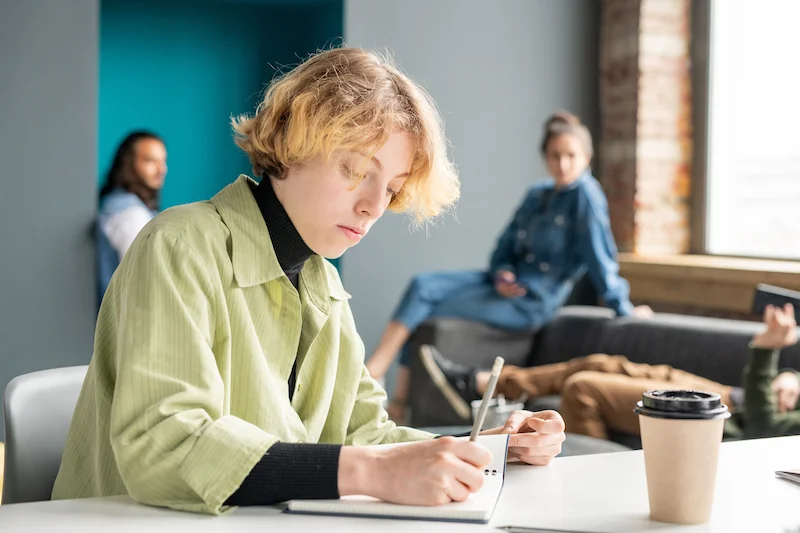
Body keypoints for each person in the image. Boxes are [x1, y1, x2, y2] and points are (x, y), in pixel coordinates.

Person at [52, 48, 566, 515]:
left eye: (391, 189)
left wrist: (485, 448)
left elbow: (364, 432)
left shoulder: (323, 282)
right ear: (295, 141)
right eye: (356, 169)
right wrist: (371, 471)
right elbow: (166, 442)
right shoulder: (179, 246)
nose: (372, 206)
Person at [365, 111, 652, 422]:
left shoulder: (586, 196)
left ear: (586, 157)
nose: (563, 164)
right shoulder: (536, 195)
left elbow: (601, 259)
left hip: (531, 301)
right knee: (423, 285)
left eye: (571, 155)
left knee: (426, 311)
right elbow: (504, 247)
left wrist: (623, 308)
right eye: (555, 155)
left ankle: (388, 398)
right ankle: (376, 377)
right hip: (501, 284)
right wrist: (503, 273)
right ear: (545, 157)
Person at [420, 303, 799, 440]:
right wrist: (791, 379)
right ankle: (485, 384)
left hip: (725, 419)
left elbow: (769, 429)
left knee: (584, 387)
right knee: (600, 363)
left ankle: (588, 477)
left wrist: (767, 351)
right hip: (730, 392)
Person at [96, 131, 167, 303]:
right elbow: (144, 282)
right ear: (128, 164)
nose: (161, 169)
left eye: (163, 161)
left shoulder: (118, 204)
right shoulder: (130, 215)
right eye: (150, 161)